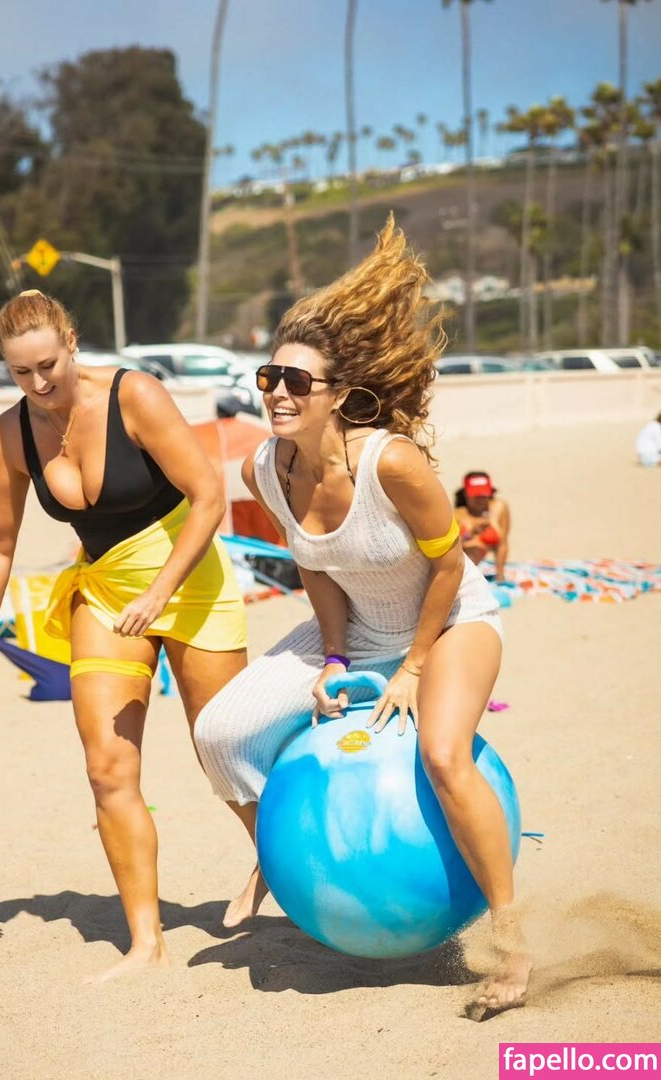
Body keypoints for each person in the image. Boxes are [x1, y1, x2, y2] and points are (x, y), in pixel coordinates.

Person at [194, 216, 530, 1021]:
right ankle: (277, 855)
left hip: (449, 624)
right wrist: (338, 660)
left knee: (444, 756)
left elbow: (449, 567)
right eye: (269, 377)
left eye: (296, 381)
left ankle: (513, 941)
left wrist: (412, 666)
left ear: (340, 395)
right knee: (220, 734)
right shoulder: (265, 469)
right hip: (355, 632)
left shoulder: (393, 463)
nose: (277, 392)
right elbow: (315, 566)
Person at [0, 290, 247, 981]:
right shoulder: (10, 433)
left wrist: (160, 592)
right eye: (21, 373)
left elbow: (210, 496)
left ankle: (285, 867)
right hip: (107, 593)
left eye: (48, 366)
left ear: (71, 342)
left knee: (229, 756)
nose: (38, 384)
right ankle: (147, 943)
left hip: (190, 582)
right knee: (108, 770)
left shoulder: (133, 395)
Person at [454, 472, 511, 583]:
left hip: (478, 567)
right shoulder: (458, 514)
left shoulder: (499, 508)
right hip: (462, 569)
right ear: (465, 494)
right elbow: (450, 548)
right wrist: (471, 533)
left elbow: (503, 542)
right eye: (475, 495)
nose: (480, 499)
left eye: (484, 494)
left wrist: (500, 577)